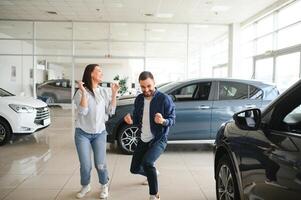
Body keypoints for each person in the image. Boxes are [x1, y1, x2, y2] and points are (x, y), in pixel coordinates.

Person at [124, 71, 176, 200]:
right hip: (143, 139)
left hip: (159, 139)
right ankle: (152, 173)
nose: (146, 90)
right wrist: (131, 120)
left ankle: (154, 195)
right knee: (134, 169)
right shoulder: (139, 99)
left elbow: (172, 120)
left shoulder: (164, 99)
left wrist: (163, 121)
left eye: (148, 86)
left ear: (154, 83)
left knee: (147, 163)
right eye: (143, 87)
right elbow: (136, 119)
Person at [73, 64, 119, 199]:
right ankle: (86, 185)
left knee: (100, 163)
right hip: (82, 134)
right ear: (91, 74)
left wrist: (114, 94)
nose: (101, 73)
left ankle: (104, 185)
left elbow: (111, 111)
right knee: (85, 165)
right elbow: (83, 111)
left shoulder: (103, 91)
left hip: (99, 133)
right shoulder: (80, 92)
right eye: (99, 71)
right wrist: (83, 91)